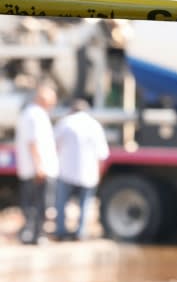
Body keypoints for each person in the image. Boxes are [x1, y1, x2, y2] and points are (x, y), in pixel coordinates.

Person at [53, 99, 110, 240]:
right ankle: (80, 232)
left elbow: (54, 145)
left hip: (66, 170)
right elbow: (102, 154)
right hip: (88, 172)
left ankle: (61, 231)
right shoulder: (94, 125)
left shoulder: (65, 123)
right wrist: (99, 173)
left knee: (61, 202)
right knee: (85, 204)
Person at [14, 85, 59, 244]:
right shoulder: (35, 115)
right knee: (38, 204)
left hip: (33, 168)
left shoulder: (31, 114)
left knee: (33, 203)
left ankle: (32, 234)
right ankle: (35, 235)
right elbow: (33, 142)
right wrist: (39, 166)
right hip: (38, 169)